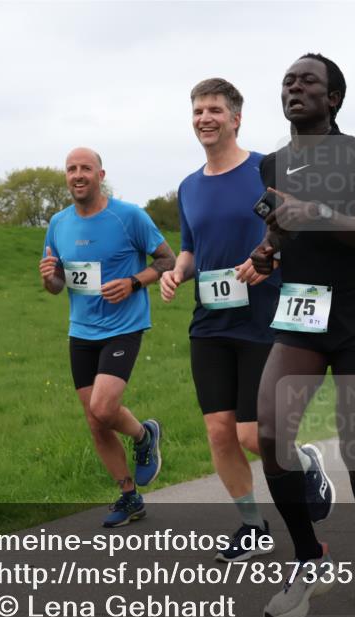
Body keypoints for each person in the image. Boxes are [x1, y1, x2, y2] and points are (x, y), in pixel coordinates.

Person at [249, 53, 355, 617]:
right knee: (269, 429)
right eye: (288, 80)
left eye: (308, 80)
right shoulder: (272, 164)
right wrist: (269, 249)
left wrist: (313, 212)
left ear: (332, 97)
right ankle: (308, 560)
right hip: (301, 311)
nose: (294, 87)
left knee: (354, 439)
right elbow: (280, 229)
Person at [159, 78, 280, 562]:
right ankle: (253, 527)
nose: (204, 118)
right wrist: (175, 273)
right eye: (197, 111)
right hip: (209, 321)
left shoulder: (264, 172)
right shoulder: (189, 187)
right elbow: (189, 249)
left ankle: (304, 464)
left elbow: (293, 234)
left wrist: (269, 258)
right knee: (218, 430)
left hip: (262, 316)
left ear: (236, 118)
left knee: (252, 434)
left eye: (214, 110)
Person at [39, 147, 175, 528]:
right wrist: (49, 277)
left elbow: (167, 259)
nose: (77, 175)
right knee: (96, 421)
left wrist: (134, 282)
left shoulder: (128, 215)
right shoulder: (58, 223)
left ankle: (144, 435)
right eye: (71, 169)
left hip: (124, 327)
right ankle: (129, 496)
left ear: (101, 175)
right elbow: (57, 284)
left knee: (103, 407)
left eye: (85, 168)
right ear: (66, 177)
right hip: (81, 331)